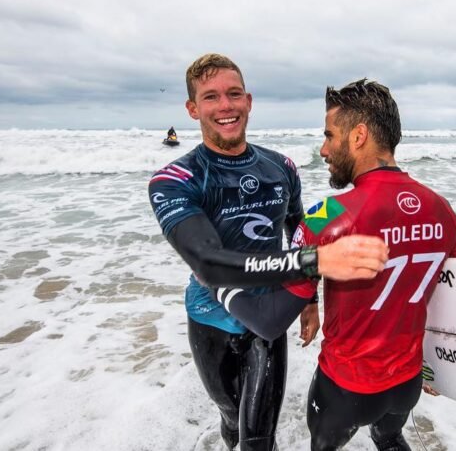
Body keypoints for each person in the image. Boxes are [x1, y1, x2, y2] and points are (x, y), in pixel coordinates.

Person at [208, 79, 456, 450]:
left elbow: (269, 321)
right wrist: (440, 367)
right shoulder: (440, 206)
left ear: (358, 136)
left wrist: (219, 282)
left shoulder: (326, 215)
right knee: (391, 438)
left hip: (347, 388)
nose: (324, 149)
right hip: (407, 382)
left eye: (330, 135)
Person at [148, 54, 388, 451]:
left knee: (259, 441)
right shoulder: (175, 180)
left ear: (249, 101)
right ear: (193, 109)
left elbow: (299, 229)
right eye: (211, 97)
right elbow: (208, 263)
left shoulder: (282, 167)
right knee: (230, 417)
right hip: (210, 322)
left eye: (234, 94)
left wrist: (310, 299)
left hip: (266, 322)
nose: (225, 106)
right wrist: (318, 263)